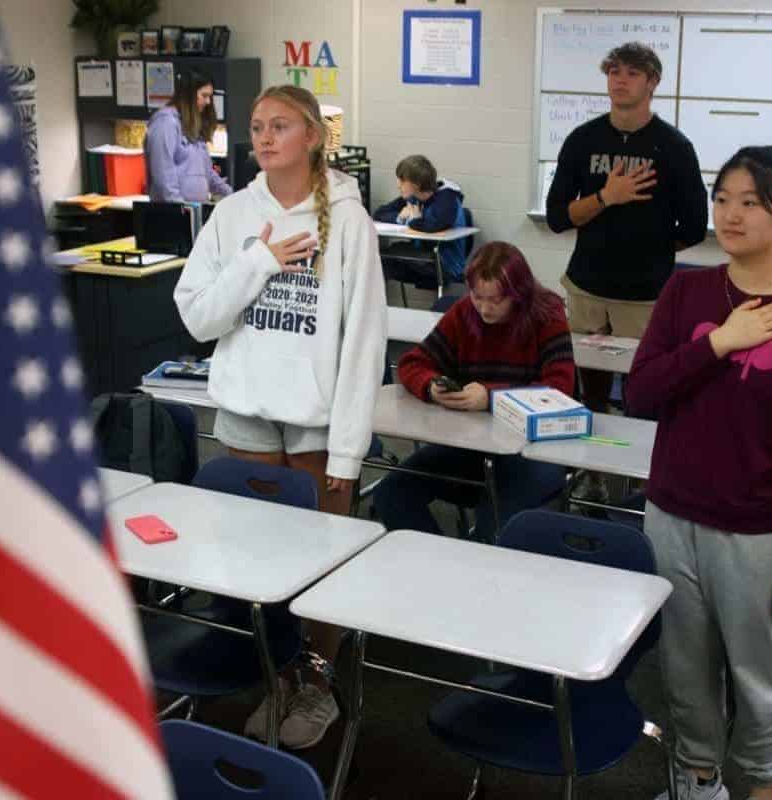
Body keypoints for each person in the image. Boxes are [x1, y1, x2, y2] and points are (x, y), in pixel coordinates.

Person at [626, 146, 772, 800]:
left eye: (752, 202)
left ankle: (765, 787)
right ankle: (698, 779)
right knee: (685, 666)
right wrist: (719, 342)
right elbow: (640, 393)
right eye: (723, 198)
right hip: (671, 513)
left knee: (758, 671)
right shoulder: (687, 290)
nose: (731, 214)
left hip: (755, 532)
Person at [173, 85, 386, 749]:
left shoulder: (349, 222)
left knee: (321, 566)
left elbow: (363, 345)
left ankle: (317, 681)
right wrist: (259, 261)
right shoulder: (235, 214)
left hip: (318, 425)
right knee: (259, 564)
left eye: (280, 126)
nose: (263, 138)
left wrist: (348, 454)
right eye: (257, 127)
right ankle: (277, 677)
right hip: (249, 415)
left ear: (315, 137)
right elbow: (197, 316)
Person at [372, 241, 573, 542]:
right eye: (478, 297)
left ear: (518, 294)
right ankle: (441, 564)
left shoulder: (547, 314)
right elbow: (412, 363)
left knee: (491, 524)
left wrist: (490, 397)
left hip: (532, 451)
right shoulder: (465, 311)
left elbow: (559, 390)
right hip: (472, 445)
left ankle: (474, 573)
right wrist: (431, 386)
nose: (485, 308)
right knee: (391, 494)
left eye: (496, 300)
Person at [546, 42, 707, 414]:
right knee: (591, 393)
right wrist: (605, 197)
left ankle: (635, 469)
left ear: (652, 82)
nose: (620, 81)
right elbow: (557, 217)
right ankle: (591, 469)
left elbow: (696, 227)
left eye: (632, 73)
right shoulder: (583, 141)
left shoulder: (674, 147)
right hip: (587, 287)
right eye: (614, 72)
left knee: (642, 391)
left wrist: (648, 248)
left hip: (645, 295)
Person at [373, 154, 468, 284]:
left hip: (444, 265)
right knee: (378, 262)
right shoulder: (414, 197)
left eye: (402, 180)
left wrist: (414, 220)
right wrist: (400, 217)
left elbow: (433, 225)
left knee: (387, 256)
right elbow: (380, 213)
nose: (398, 185)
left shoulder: (447, 198)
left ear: (416, 184)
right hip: (421, 258)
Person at [144, 69, 233, 202]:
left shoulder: (191, 125)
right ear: (188, 95)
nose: (208, 102)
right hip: (172, 214)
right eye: (204, 95)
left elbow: (206, 173)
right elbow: (164, 177)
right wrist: (183, 211)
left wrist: (234, 194)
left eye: (210, 96)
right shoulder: (165, 123)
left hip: (193, 211)